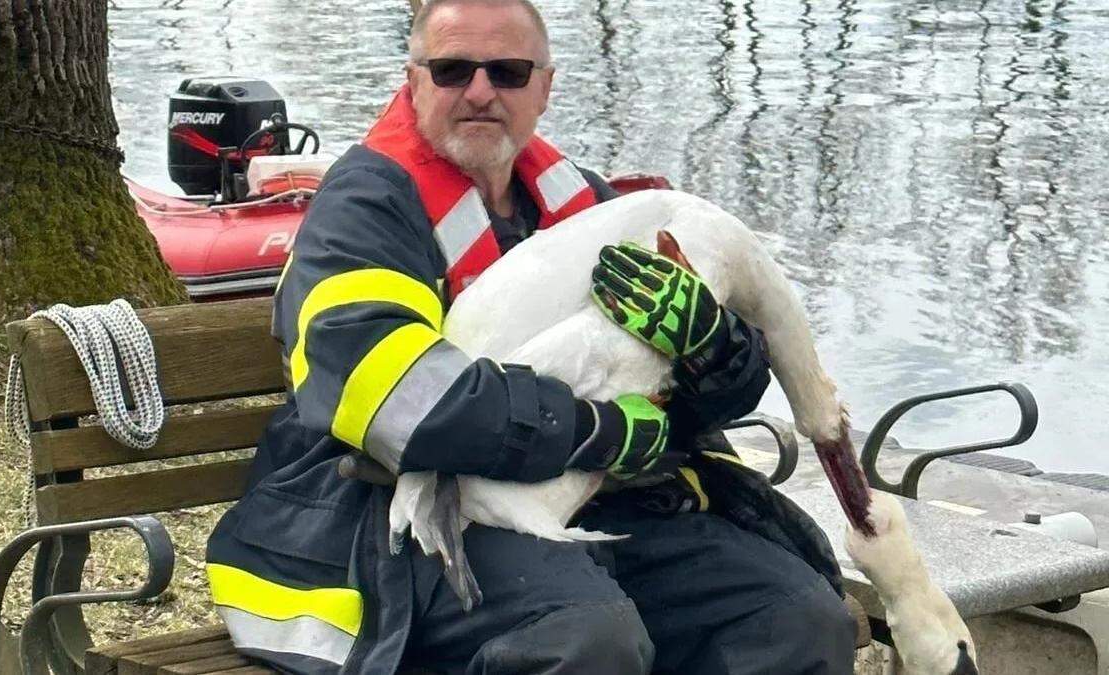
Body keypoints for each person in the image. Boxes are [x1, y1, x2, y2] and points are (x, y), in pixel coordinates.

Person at [206, 0, 856, 672]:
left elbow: (709, 402)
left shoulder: (590, 207)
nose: (481, 92)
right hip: (385, 520)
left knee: (792, 616)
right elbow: (392, 397)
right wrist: (594, 431)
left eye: (508, 71)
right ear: (414, 80)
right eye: (454, 69)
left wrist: (711, 348)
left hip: (582, 506)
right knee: (584, 637)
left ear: (544, 87)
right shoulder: (364, 213)